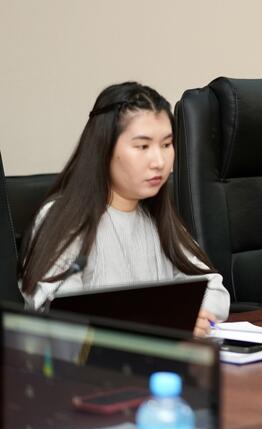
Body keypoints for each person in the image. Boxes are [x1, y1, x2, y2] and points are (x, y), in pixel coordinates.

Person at [19, 82, 229, 335]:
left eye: (166, 144)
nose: (159, 162)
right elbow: (62, 316)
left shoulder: (156, 216)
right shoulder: (64, 218)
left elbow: (216, 292)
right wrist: (163, 319)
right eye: (143, 146)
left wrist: (188, 314)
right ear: (104, 148)